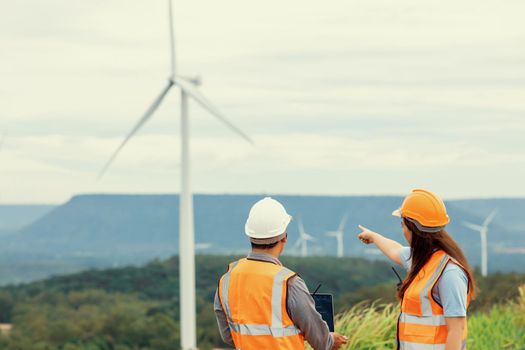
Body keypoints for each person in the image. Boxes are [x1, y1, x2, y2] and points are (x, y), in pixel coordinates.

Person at [214, 197, 348, 350]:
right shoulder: (289, 282)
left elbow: (227, 335)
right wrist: (331, 340)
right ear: (284, 237)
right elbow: (321, 342)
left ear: (250, 235)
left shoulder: (227, 279)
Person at [357, 189, 477, 350]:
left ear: (412, 228)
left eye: (402, 225)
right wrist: (373, 236)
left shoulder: (450, 273)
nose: (403, 230)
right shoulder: (422, 260)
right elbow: (395, 250)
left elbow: (456, 329)